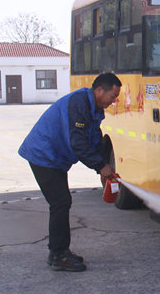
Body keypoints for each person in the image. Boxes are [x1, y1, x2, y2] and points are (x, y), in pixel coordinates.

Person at [18, 73, 121, 272]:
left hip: (55, 158)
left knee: (61, 202)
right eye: (113, 95)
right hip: (43, 154)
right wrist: (101, 166)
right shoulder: (79, 104)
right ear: (100, 90)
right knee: (60, 202)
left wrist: (102, 165)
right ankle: (58, 256)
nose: (114, 101)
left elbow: (93, 138)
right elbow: (79, 143)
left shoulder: (94, 107)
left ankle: (58, 252)